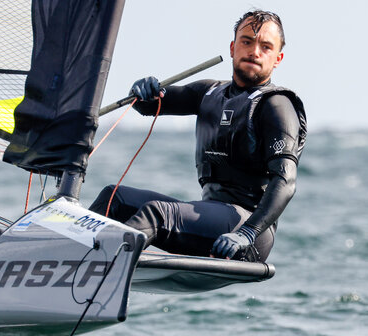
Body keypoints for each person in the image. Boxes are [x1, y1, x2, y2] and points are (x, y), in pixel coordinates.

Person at [89, 10, 306, 262]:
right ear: (233, 47)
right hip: (210, 215)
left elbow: (286, 181)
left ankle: (92, 269)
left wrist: (247, 233)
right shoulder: (210, 92)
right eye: (247, 41)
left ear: (277, 58)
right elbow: (147, 105)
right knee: (113, 197)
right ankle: (65, 253)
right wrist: (142, 91)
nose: (255, 51)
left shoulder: (276, 105)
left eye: (265, 46)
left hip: (248, 232)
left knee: (156, 214)